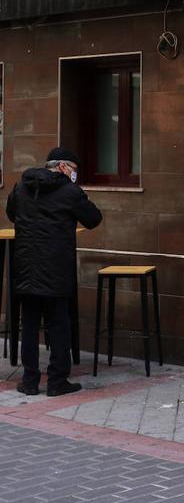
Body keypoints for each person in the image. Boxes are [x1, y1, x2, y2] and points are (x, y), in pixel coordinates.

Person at [6, 147, 102, 397]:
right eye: (74, 170)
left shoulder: (21, 187)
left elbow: (11, 214)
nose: (74, 175)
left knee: (28, 325)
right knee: (59, 324)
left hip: (25, 268)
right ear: (62, 167)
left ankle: (29, 381)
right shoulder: (69, 192)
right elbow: (93, 219)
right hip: (56, 270)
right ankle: (57, 381)